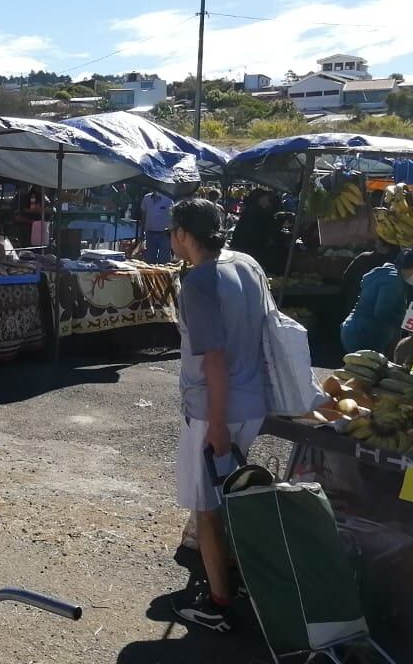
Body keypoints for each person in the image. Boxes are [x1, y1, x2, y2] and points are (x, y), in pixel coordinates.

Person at [166, 198, 269, 634]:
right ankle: (233, 580)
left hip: (216, 411)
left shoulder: (198, 281)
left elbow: (214, 359)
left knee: (208, 508)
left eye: (174, 231)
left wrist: (218, 423)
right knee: (231, 497)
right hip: (254, 402)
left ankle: (218, 602)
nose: (172, 239)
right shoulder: (247, 267)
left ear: (185, 235)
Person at [341, 248, 413, 355]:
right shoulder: (393, 282)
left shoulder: (392, 274)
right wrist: (408, 324)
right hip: (365, 334)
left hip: (357, 331)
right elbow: (382, 313)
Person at [229, 189, 280, 272]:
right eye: (266, 199)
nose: (268, 202)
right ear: (260, 199)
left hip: (242, 247)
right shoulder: (258, 212)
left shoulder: (250, 210)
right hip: (251, 248)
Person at [342, 240, 400, 308]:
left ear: (382, 241)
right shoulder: (403, 263)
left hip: (357, 307)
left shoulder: (364, 258)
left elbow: (346, 280)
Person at [140, 190, 174, 264]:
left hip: (164, 234)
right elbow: (143, 216)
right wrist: (141, 232)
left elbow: (172, 217)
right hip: (150, 233)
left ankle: (165, 275)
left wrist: (171, 233)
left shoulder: (168, 199)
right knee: (150, 260)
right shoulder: (146, 198)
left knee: (164, 260)